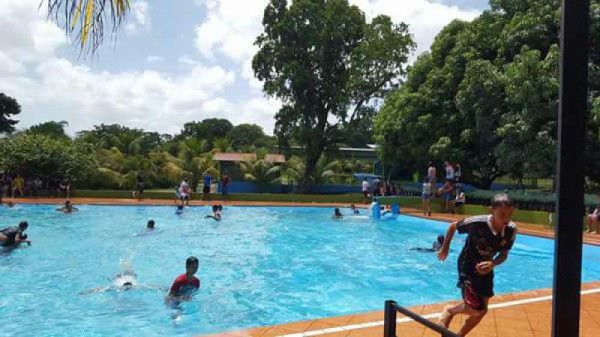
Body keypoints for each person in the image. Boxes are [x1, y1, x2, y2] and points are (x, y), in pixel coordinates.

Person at [438, 193, 517, 337]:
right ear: (491, 210)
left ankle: (459, 335)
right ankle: (450, 310)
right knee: (475, 308)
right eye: (502, 214)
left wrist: (492, 263)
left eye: (510, 214)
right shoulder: (477, 223)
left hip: (486, 268)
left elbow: (504, 254)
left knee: (483, 310)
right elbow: (453, 226)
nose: (506, 218)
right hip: (467, 265)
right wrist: (445, 247)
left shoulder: (511, 230)